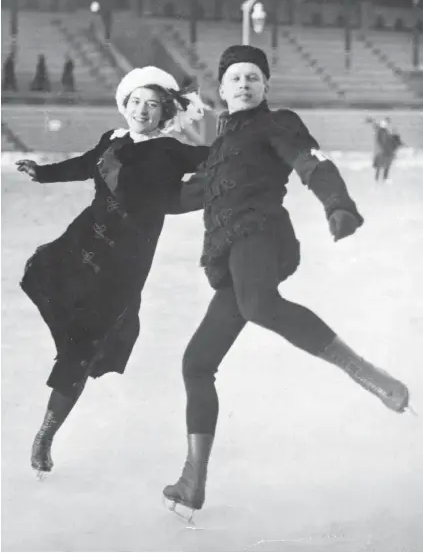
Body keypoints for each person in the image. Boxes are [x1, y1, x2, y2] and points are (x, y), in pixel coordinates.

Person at [162, 46, 410, 515]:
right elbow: (182, 197)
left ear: (265, 87)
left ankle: (371, 376)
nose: (243, 84)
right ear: (221, 89)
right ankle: (193, 481)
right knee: (196, 362)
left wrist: (337, 203)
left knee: (258, 304)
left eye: (253, 77)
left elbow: (310, 162)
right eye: (235, 77)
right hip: (230, 257)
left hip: (262, 236)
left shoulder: (276, 124)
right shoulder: (216, 151)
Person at [16, 66, 209, 476]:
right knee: (66, 320)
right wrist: (43, 173)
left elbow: (218, 160)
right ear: (125, 104)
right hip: (82, 243)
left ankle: (46, 434)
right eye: (136, 101)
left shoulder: (173, 150)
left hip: (124, 262)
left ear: (164, 112)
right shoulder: (112, 139)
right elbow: (86, 164)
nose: (142, 110)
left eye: (153, 105)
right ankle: (67, 363)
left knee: (83, 348)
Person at [366, 116, 403, 182]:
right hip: (383, 151)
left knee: (383, 165)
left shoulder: (384, 131)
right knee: (383, 165)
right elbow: (376, 127)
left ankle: (381, 179)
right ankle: (381, 178)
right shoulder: (382, 131)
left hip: (384, 151)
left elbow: (376, 126)